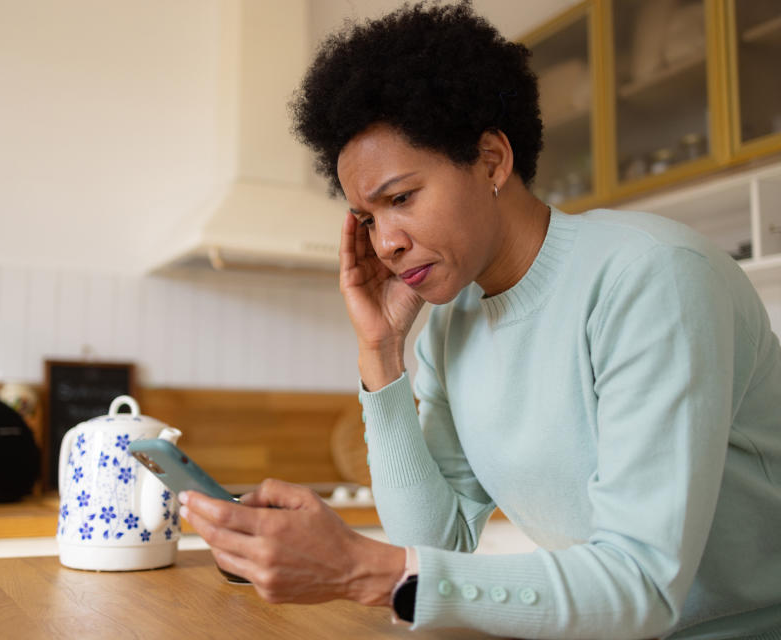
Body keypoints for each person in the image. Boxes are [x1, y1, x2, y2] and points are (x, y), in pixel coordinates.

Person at [179, 2, 781, 638]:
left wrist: (364, 569)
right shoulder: (449, 325)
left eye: (401, 199)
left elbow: (642, 585)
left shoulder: (653, 276)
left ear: (492, 160)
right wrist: (381, 354)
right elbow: (438, 540)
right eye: (367, 218)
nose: (385, 241)